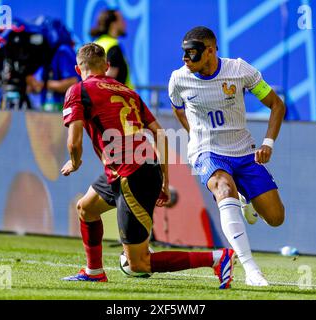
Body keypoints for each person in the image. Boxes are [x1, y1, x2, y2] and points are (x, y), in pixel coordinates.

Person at [60, 43, 236, 289]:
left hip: (130, 174)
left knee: (139, 265)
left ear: (78, 68)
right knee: (86, 209)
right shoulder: (128, 92)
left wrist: (75, 162)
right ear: (107, 67)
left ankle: (217, 258)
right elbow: (160, 135)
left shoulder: (78, 90)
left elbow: (74, 141)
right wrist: (164, 178)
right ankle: (94, 271)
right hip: (135, 169)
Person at [169, 26, 286, 287]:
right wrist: (194, 136)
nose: (187, 60)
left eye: (193, 54)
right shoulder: (179, 79)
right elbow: (178, 109)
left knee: (276, 218)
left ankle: (245, 199)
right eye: (184, 55)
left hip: (244, 152)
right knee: (223, 187)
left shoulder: (240, 70)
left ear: (211, 50)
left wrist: (268, 143)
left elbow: (277, 105)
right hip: (207, 151)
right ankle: (251, 269)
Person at [27, 44, 79, 112]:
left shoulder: (63, 50)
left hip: (64, 110)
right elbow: (32, 87)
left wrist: (44, 84)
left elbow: (74, 81)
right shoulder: (41, 56)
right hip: (43, 109)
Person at [90, 9, 133, 88]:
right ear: (113, 24)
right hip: (119, 99)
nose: (125, 23)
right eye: (121, 20)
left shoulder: (95, 43)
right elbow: (108, 79)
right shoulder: (113, 47)